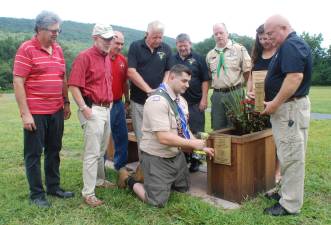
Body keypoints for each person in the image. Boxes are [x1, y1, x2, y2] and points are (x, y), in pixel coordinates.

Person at [117, 64, 214, 207]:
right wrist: (193, 144)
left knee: (183, 188)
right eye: (184, 81)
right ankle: (128, 179)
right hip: (156, 156)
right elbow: (163, 138)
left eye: (188, 81)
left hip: (175, 155)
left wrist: (201, 148)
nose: (187, 85)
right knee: (157, 201)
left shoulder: (181, 101)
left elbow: (184, 129)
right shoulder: (157, 101)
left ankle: (153, 178)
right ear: (172, 77)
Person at [13, 11, 74, 208]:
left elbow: (62, 77)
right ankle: (37, 195)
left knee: (54, 150)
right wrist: (25, 113)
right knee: (33, 154)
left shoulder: (58, 49)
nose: (57, 34)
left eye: (59, 30)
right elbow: (18, 81)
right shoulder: (27, 49)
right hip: (36, 111)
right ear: (40, 29)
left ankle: (53, 187)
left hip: (56, 109)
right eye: (54, 30)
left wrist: (65, 102)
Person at [262, 14, 312, 216]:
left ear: (283, 28)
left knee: (291, 156)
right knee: (287, 153)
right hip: (288, 108)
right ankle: (285, 192)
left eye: (271, 33)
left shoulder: (291, 45)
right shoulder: (288, 45)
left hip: (289, 109)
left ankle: (289, 204)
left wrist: (274, 103)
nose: (269, 38)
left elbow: (295, 77)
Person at [68, 23, 115, 207]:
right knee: (92, 152)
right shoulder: (84, 57)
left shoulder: (106, 58)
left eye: (110, 39)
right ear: (95, 38)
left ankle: (99, 180)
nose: (108, 42)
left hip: (106, 108)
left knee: (101, 150)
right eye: (105, 39)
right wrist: (84, 108)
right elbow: (73, 85)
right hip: (92, 108)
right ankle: (88, 192)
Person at [127, 20, 173, 156]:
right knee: (142, 139)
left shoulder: (166, 49)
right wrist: (148, 90)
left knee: (161, 137)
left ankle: (159, 170)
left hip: (160, 102)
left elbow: (169, 71)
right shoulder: (135, 46)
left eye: (160, 37)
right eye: (155, 37)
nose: (158, 40)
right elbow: (131, 71)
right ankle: (145, 173)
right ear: (147, 34)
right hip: (139, 102)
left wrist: (161, 88)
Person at [246, 24, 281, 184]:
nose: (264, 41)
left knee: (277, 137)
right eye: (260, 38)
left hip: (275, 102)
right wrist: (249, 92)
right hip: (258, 103)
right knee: (261, 135)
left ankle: (277, 171)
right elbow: (251, 78)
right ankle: (262, 167)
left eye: (266, 37)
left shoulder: (280, 53)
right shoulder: (256, 56)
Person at [172, 33, 209, 172]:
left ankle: (196, 161)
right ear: (177, 45)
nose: (183, 48)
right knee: (179, 131)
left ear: (190, 44)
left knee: (197, 131)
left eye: (185, 45)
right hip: (177, 103)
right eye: (180, 45)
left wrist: (204, 99)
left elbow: (205, 79)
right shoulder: (172, 59)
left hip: (195, 103)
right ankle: (183, 159)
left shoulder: (199, 58)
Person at [206, 23, 252, 130]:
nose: (218, 36)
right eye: (215, 34)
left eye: (221, 32)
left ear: (227, 33)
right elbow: (209, 76)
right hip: (217, 95)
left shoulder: (239, 49)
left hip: (235, 93)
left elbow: (248, 73)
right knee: (218, 128)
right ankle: (220, 147)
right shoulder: (210, 55)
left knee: (237, 126)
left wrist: (248, 92)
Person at [106, 31, 129, 170]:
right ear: (110, 41)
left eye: (122, 44)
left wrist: (127, 99)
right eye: (117, 43)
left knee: (121, 136)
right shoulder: (102, 58)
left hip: (118, 103)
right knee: (102, 139)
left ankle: (120, 166)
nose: (120, 46)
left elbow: (125, 82)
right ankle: (99, 169)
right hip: (102, 105)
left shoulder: (123, 60)